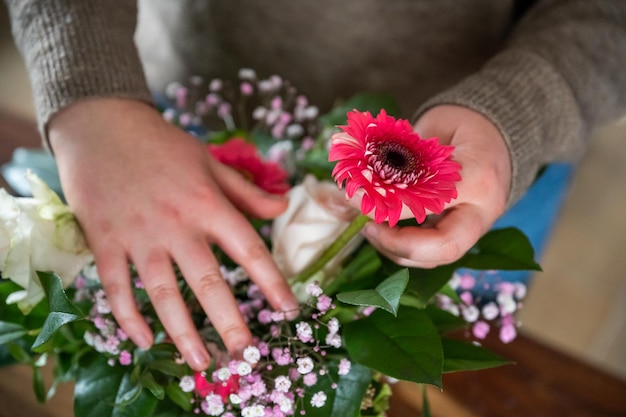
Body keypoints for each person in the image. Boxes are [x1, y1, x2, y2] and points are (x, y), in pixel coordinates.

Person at [5, 0, 626, 371]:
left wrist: (519, 109)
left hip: (484, 159)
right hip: (169, 115)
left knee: (452, 358)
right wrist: (92, 96)